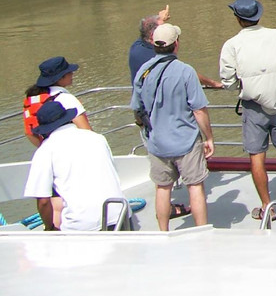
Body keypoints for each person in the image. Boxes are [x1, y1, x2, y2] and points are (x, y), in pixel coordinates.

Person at [219, 0, 276, 221]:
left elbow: (227, 81)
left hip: (252, 107)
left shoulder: (232, 45)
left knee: (257, 156)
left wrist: (241, 85)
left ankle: (267, 206)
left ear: (238, 18)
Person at [132, 23, 215, 230]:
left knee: (162, 188)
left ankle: (163, 233)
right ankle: (202, 231)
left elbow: (136, 107)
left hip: (157, 142)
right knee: (195, 186)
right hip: (185, 140)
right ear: (176, 44)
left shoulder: (144, 70)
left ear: (154, 44)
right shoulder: (185, 71)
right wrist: (209, 138)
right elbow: (199, 110)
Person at [23, 99, 126, 231]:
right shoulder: (97, 138)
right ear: (69, 119)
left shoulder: (45, 151)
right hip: (120, 213)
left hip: (82, 226)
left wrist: (49, 228)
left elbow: (43, 201)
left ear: (44, 130)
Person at [129, 5, 222, 89]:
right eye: (162, 28)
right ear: (153, 34)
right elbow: (186, 72)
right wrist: (213, 83)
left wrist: (160, 19)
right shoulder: (157, 57)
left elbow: (146, 27)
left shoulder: (136, 47)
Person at [23, 56, 92, 148]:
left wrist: (46, 148)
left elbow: (29, 133)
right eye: (69, 72)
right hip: (74, 149)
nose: (72, 74)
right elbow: (87, 133)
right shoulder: (67, 99)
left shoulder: (33, 98)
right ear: (60, 78)